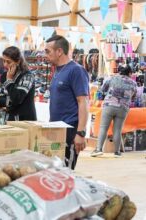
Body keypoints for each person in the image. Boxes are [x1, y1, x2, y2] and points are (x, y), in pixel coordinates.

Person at [45, 35, 89, 169]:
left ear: (59, 51)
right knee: (55, 172)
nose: (45, 55)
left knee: (66, 171)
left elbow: (83, 102)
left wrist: (80, 133)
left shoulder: (76, 70)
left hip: (70, 129)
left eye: (48, 51)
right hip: (56, 129)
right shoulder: (57, 71)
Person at [91, 64, 137, 157]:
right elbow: (133, 97)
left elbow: (103, 90)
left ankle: (99, 149)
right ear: (129, 72)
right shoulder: (133, 83)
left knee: (103, 127)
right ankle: (117, 152)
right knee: (117, 129)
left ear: (119, 71)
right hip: (123, 108)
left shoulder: (111, 78)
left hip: (109, 105)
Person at [0, 46, 37, 121]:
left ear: (17, 61)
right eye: (3, 61)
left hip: (25, 121)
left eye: (8, 62)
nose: (5, 65)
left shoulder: (27, 76)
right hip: (10, 120)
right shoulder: (3, 76)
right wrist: (12, 101)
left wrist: (9, 80)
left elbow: (17, 98)